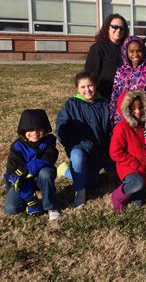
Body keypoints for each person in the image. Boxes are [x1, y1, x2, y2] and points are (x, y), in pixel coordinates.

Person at [56, 71, 112, 208]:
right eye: (83, 87)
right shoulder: (71, 104)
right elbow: (61, 128)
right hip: (80, 149)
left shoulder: (104, 104)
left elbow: (111, 128)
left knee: (93, 181)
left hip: (98, 152)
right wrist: (73, 139)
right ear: (77, 89)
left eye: (90, 85)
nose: (87, 90)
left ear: (95, 85)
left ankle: (65, 171)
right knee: (77, 155)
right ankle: (79, 193)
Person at [3, 109, 60, 221]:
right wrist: (29, 198)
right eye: (30, 129)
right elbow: (16, 175)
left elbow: (49, 158)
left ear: (45, 129)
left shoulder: (49, 142)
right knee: (11, 208)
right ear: (23, 130)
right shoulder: (17, 147)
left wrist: (28, 169)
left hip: (40, 177)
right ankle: (29, 201)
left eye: (39, 129)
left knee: (46, 173)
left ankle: (50, 206)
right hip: (22, 181)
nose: (35, 133)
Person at [110, 91, 146, 212]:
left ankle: (136, 193)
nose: (138, 111)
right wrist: (134, 163)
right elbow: (115, 152)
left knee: (138, 203)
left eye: (140, 107)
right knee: (137, 183)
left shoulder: (143, 126)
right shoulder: (121, 128)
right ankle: (117, 196)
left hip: (143, 167)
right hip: (129, 167)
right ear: (125, 110)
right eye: (133, 108)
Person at [110, 35, 146, 124]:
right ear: (126, 52)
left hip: (140, 115)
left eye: (139, 51)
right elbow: (115, 93)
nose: (135, 54)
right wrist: (112, 112)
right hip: (121, 115)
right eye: (131, 51)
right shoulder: (121, 71)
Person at [85, 14, 129, 99]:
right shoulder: (98, 48)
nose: (118, 30)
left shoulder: (127, 48)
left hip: (123, 95)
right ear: (107, 28)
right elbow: (91, 74)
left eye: (121, 28)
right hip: (103, 95)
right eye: (114, 27)